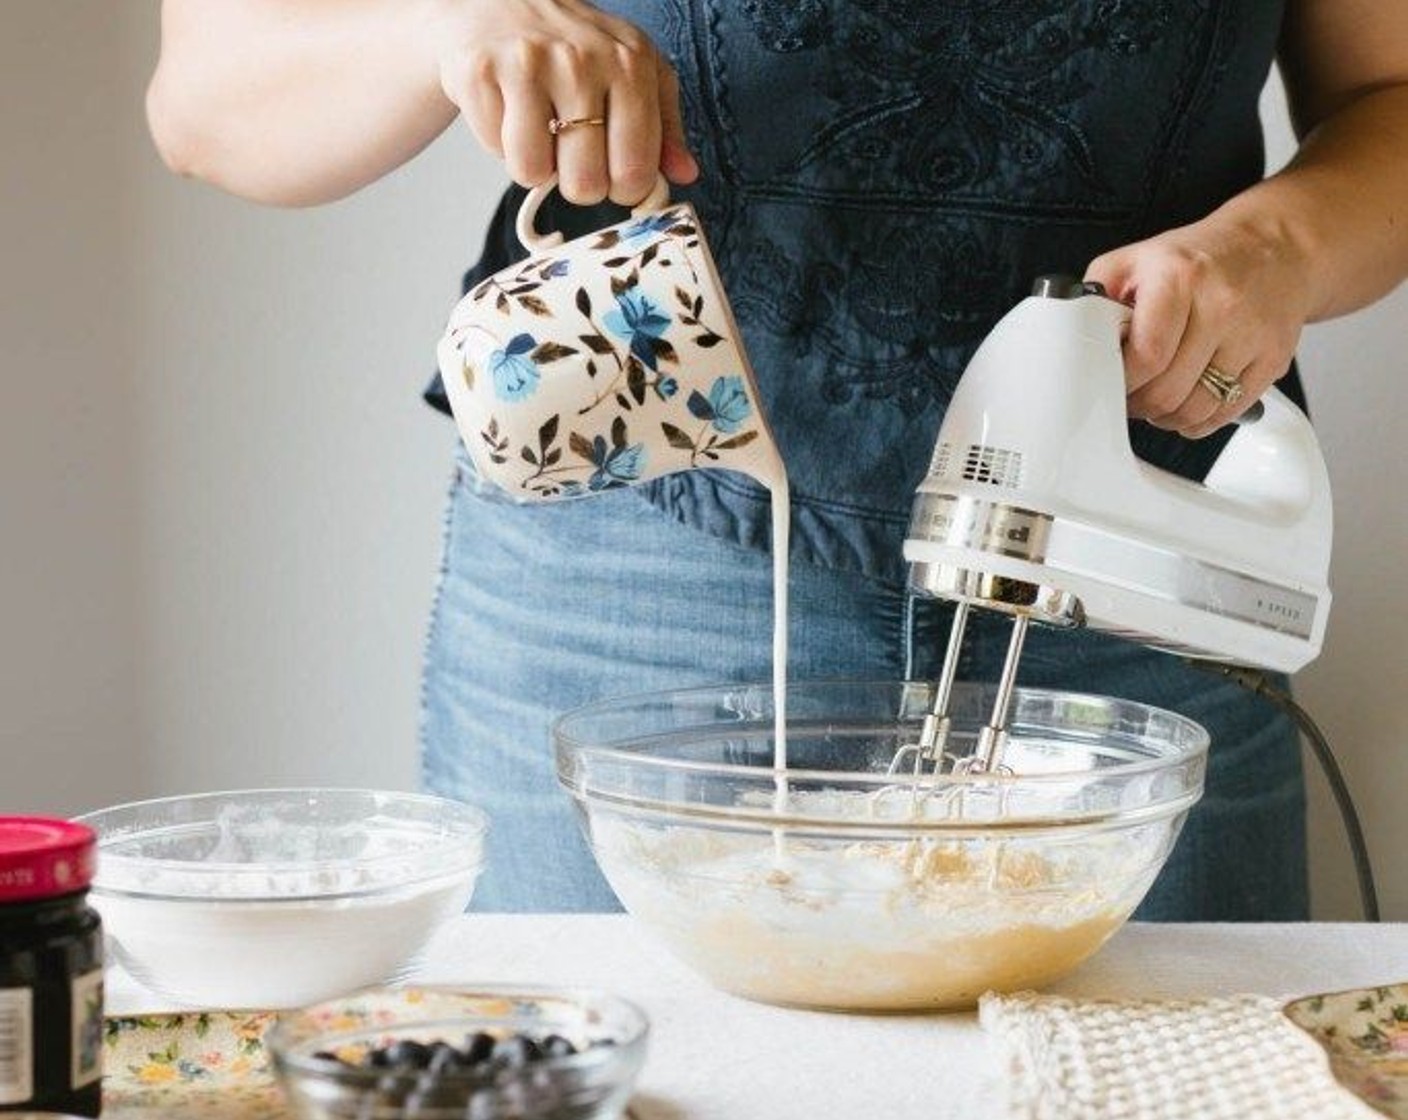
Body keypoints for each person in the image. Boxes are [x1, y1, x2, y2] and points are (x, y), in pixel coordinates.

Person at [147, 1, 1408, 916]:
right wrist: (445, 28)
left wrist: (1280, 249)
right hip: (637, 576)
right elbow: (209, 102)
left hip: (1131, 566)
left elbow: (1386, 92)